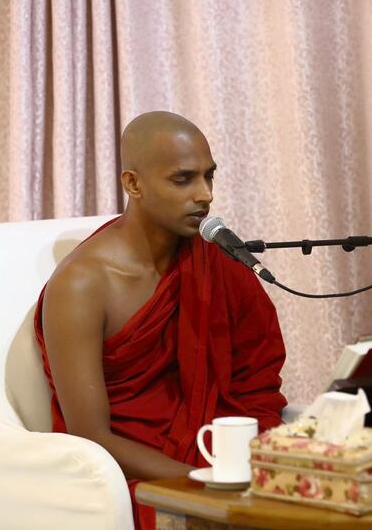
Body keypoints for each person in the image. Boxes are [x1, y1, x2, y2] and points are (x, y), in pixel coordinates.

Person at [34, 111, 287, 529]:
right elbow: (91, 436)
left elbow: (256, 381)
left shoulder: (216, 263)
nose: (204, 195)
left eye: (209, 177)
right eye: (183, 179)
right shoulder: (82, 285)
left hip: (223, 462)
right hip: (135, 477)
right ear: (133, 184)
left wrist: (265, 459)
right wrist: (206, 483)